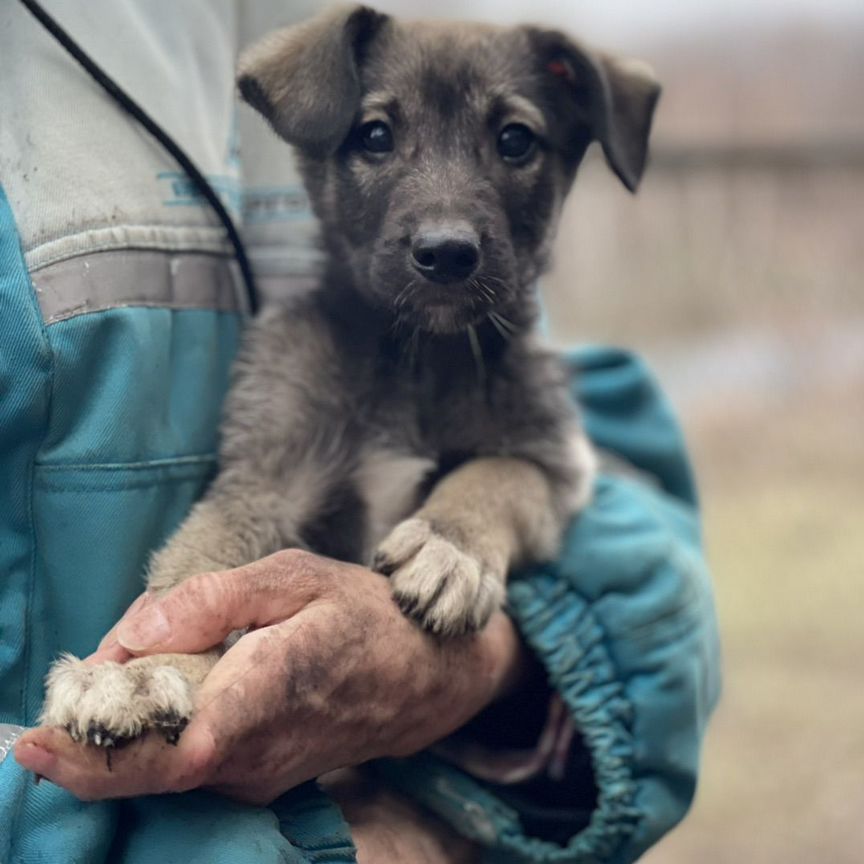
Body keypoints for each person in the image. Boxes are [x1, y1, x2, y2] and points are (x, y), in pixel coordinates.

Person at [0, 2, 721, 862]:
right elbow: (246, 511)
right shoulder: (306, 353)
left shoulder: (507, 354)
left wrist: (479, 573)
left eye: (514, 142)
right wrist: (162, 667)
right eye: (379, 137)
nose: (449, 221)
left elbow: (579, 484)